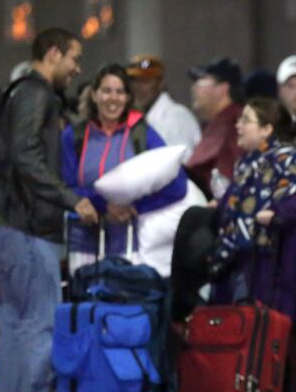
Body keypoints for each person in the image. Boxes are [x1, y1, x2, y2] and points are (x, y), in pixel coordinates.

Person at [0, 27, 98, 392]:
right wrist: (71, 200)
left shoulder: (17, 91)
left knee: (15, 324)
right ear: (53, 53)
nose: (77, 68)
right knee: (38, 323)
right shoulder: (36, 94)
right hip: (22, 225)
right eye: (74, 58)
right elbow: (25, 155)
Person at [61, 64, 188, 271]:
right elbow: (65, 188)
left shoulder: (142, 135)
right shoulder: (73, 136)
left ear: (128, 97)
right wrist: (104, 205)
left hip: (131, 244)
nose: (113, 98)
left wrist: (136, 207)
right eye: (106, 91)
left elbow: (177, 184)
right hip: (83, 243)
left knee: (123, 289)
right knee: (85, 291)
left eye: (120, 92)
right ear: (94, 95)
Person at [207, 96, 296, 318]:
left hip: (272, 265)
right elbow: (236, 201)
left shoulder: (287, 160)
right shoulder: (246, 163)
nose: (238, 126)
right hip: (238, 259)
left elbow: (295, 205)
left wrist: (275, 214)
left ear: (266, 129)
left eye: (246, 120)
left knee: (261, 330)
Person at [185, 57, 245, 196]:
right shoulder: (220, 121)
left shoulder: (234, 123)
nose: (194, 88)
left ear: (222, 89)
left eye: (201, 81)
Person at [126, 54, 201, 163]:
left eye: (145, 81)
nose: (138, 88)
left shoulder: (175, 117)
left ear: (160, 84)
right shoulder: (142, 119)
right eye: (134, 81)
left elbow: (182, 164)